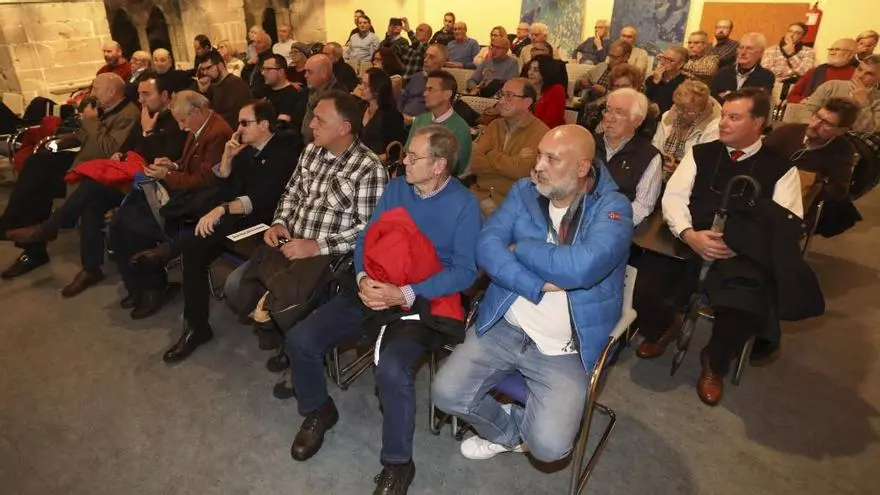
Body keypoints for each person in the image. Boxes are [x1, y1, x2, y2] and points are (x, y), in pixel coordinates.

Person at [284, 122, 478, 495]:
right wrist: (361, 278)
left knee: (392, 369)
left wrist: (404, 293)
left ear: (439, 165)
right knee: (300, 339)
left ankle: (398, 463)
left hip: (422, 298)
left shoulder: (464, 205)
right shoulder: (397, 189)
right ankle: (319, 409)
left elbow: (465, 272)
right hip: (374, 284)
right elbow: (367, 238)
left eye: (413, 156)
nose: (404, 160)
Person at [432, 124, 633, 464]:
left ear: (582, 167)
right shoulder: (525, 191)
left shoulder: (613, 209)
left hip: (566, 348)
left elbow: (581, 268)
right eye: (539, 155)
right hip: (506, 325)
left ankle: (521, 426)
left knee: (551, 448)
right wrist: (536, 284)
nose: (538, 166)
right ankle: (507, 433)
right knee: (445, 394)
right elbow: (487, 246)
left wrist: (521, 247)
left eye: (551, 159)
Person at [635, 88, 803, 406]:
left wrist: (739, 245)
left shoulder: (782, 170)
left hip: (739, 252)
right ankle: (663, 327)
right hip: (690, 241)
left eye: (734, 117)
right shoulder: (701, 153)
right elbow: (674, 197)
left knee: (745, 305)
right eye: (724, 115)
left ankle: (715, 361)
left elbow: (787, 223)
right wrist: (688, 233)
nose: (723, 122)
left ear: (759, 123)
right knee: (646, 284)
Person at [132, 101, 301, 361]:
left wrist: (222, 209)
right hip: (239, 218)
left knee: (205, 233)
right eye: (238, 122)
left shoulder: (283, 152)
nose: (238, 128)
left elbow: (264, 199)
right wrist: (226, 160)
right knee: (194, 252)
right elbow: (226, 188)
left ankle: (167, 252)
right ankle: (196, 327)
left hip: (268, 224)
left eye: (245, 123)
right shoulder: (245, 150)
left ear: (264, 125)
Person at [6, 76, 188, 301]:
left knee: (92, 185)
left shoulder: (174, 120)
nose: (140, 99)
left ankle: (52, 227)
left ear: (165, 96)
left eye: (146, 94)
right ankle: (90, 267)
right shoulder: (146, 113)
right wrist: (120, 153)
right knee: (89, 199)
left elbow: (167, 155)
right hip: (128, 175)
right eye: (139, 94)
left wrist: (147, 133)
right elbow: (126, 145)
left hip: (151, 182)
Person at [0, 73, 139, 281]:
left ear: (111, 92)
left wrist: (91, 121)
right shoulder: (105, 108)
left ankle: (18, 233)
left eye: (95, 89)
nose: (92, 93)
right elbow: (84, 136)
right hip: (81, 159)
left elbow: (110, 150)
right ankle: (23, 237)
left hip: (97, 169)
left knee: (43, 179)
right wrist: (65, 139)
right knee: (37, 165)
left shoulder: (128, 114)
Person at [111, 90, 233, 319]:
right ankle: (137, 288)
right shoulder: (200, 126)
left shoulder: (218, 133)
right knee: (120, 224)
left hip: (198, 200)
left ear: (197, 111)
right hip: (183, 191)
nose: (181, 127)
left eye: (182, 120)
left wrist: (167, 175)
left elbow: (206, 180)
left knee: (136, 227)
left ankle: (154, 289)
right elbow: (189, 165)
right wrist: (173, 165)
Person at [469, 78, 549, 216]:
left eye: (509, 96)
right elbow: (475, 163)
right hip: (479, 196)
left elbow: (522, 171)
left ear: (527, 102)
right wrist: (511, 161)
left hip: (512, 205)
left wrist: (491, 154)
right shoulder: (494, 125)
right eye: (501, 95)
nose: (501, 101)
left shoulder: (541, 133)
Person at [765, 97, 861, 202]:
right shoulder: (787, 132)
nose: (815, 125)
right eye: (817, 116)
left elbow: (838, 190)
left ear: (841, 131)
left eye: (827, 124)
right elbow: (757, 156)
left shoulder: (843, 151)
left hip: (799, 201)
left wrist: (810, 185)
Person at [595, 88, 662, 226]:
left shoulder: (648, 156)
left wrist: (609, 221)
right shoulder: (587, 143)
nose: (610, 118)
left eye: (619, 112)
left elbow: (643, 206)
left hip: (614, 225)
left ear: (637, 121)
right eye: (608, 110)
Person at [405, 70, 472, 176]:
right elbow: (408, 152)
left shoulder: (460, 129)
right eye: (426, 89)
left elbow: (455, 168)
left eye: (430, 89)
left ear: (447, 94)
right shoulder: (420, 119)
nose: (425, 93)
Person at [652, 80, 721, 179]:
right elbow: (656, 146)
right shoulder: (668, 116)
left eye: (690, 111)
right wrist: (662, 161)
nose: (683, 114)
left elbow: (705, 163)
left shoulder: (713, 127)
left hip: (690, 178)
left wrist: (679, 169)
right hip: (661, 174)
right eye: (680, 108)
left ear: (703, 109)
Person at [802, 55, 880, 133]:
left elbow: (869, 132)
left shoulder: (878, 100)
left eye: (869, 74)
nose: (860, 76)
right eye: (859, 69)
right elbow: (805, 114)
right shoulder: (831, 86)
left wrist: (863, 103)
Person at [578, 63, 644, 134]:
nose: (620, 91)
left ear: (636, 88)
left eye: (625, 86)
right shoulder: (597, 108)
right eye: (617, 86)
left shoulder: (644, 113)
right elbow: (583, 134)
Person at [194, 50, 253, 129]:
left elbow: (233, 120)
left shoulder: (236, 84)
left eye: (208, 68)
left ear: (220, 66)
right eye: (203, 69)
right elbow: (204, 113)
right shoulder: (212, 86)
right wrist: (203, 92)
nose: (205, 73)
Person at [709, 32, 774, 103]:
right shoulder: (723, 73)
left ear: (761, 53)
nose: (743, 52)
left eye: (749, 48)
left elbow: (759, 103)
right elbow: (711, 99)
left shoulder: (766, 76)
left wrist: (728, 95)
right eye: (741, 48)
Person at [788, 39, 858, 104]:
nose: (832, 52)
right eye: (831, 49)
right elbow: (792, 95)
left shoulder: (857, 75)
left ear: (850, 54)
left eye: (837, 49)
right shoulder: (815, 71)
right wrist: (802, 101)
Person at [358, 68, 407, 159]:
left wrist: (372, 160)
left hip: (378, 162)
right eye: (361, 83)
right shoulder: (359, 107)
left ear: (377, 89)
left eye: (365, 85)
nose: (360, 87)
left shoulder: (392, 116)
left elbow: (394, 152)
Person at [299, 54, 347, 142]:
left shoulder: (339, 97)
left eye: (310, 72)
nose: (305, 75)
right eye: (305, 71)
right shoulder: (305, 92)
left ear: (323, 73)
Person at [399, 44, 447, 122]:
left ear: (442, 62)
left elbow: (437, 113)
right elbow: (403, 98)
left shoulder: (444, 82)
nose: (425, 60)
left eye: (431, 57)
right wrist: (398, 115)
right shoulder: (417, 76)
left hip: (422, 124)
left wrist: (413, 120)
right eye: (425, 56)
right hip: (402, 119)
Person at [526, 55, 566, 129]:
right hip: (528, 130)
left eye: (536, 70)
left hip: (549, 132)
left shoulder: (556, 90)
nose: (530, 73)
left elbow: (551, 121)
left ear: (546, 71)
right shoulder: (527, 88)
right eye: (529, 69)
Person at [646, 46, 689, 114]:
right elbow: (646, 100)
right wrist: (655, 82)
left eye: (670, 60)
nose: (664, 62)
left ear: (680, 64)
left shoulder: (685, 83)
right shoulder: (652, 78)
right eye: (663, 58)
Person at [260, 54, 301, 123]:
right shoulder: (264, 89)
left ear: (281, 72)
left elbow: (282, 125)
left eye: (268, 69)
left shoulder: (291, 95)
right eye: (263, 69)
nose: (263, 73)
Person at [398, 18, 432, 84]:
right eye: (416, 30)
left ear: (428, 35)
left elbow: (418, 46)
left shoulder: (429, 49)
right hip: (402, 82)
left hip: (416, 83)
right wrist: (392, 32)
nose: (416, 32)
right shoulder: (408, 48)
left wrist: (408, 30)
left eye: (420, 30)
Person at [241, 31, 274, 95]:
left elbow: (269, 83)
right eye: (254, 42)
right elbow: (244, 77)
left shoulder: (271, 60)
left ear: (267, 44)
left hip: (263, 96)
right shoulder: (256, 58)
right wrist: (248, 64)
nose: (255, 45)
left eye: (259, 42)